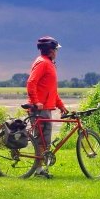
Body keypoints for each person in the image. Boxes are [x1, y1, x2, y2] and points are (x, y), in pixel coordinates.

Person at [26, 35, 66, 179]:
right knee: (41, 140)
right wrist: (36, 102)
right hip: (40, 109)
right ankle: (39, 171)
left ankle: (41, 169)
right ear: (51, 50)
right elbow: (31, 83)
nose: (56, 52)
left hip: (46, 107)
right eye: (55, 49)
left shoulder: (48, 63)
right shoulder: (43, 63)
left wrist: (61, 106)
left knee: (44, 140)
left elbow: (51, 91)